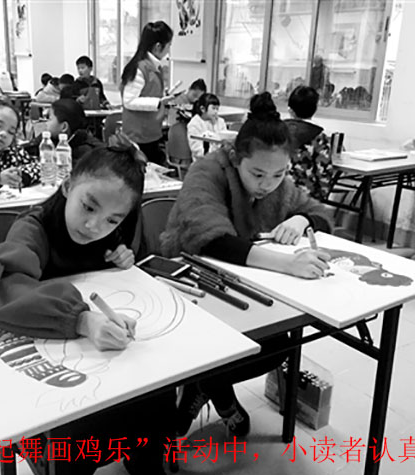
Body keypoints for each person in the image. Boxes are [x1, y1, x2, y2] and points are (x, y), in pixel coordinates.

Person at [0, 134, 174, 475]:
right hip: (48, 377)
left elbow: (133, 273)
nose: (94, 226)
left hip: (105, 364)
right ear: (66, 186)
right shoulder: (33, 229)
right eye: (88, 207)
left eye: (112, 220)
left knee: (158, 395)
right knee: (81, 432)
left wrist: (123, 261)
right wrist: (81, 319)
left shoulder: (115, 234)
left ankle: (143, 460)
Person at [160, 92, 333, 438]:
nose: (267, 185)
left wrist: (302, 219)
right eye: (257, 174)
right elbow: (212, 240)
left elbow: (320, 214)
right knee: (212, 344)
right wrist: (286, 264)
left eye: (278, 174)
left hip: (241, 278)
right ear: (237, 158)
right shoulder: (207, 171)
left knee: (278, 344)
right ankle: (211, 388)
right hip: (189, 278)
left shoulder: (277, 183)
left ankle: (205, 385)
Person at [120, 21, 178, 166]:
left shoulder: (155, 66)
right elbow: (129, 101)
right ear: (158, 46)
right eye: (169, 45)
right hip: (138, 135)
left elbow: (148, 92)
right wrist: (158, 102)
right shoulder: (139, 68)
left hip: (151, 132)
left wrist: (164, 95)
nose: (169, 50)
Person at [285, 85, 333, 200]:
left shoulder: (277, 132)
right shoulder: (319, 137)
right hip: (307, 197)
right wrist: (322, 195)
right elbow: (324, 170)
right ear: (315, 109)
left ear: (290, 110)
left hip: (277, 192)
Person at [25, 98, 103, 164]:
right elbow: (29, 150)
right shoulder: (49, 139)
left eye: (50, 119)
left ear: (64, 127)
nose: (46, 123)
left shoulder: (86, 152)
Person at [186, 92, 228, 161]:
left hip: (219, 159)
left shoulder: (220, 121)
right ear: (203, 109)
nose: (216, 112)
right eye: (213, 108)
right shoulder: (194, 124)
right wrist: (214, 148)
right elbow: (197, 151)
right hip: (201, 161)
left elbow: (225, 141)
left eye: (217, 109)